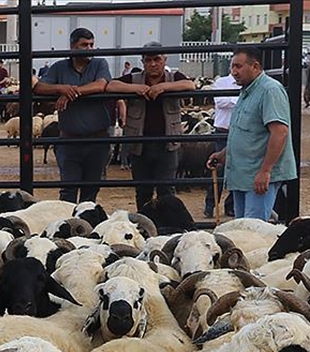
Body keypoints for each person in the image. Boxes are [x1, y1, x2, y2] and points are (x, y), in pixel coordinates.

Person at [206, 47, 297, 222]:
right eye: (232, 67)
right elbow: (246, 133)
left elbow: (280, 132)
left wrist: (265, 170)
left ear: (255, 66)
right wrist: (223, 155)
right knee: (242, 227)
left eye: (238, 67)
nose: (234, 72)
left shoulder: (270, 90)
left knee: (253, 230)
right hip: (244, 174)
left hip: (258, 175)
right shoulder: (247, 91)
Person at [106, 41, 196, 210]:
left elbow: (190, 85)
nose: (153, 64)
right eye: (148, 60)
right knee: (142, 190)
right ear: (143, 62)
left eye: (157, 59)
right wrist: (134, 88)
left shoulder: (174, 77)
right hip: (139, 144)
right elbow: (111, 85)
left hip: (168, 143)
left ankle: (166, 227)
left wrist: (163, 87)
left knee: (166, 189)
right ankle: (145, 224)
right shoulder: (134, 78)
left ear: (165, 60)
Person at [33, 27, 112, 203]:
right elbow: (39, 87)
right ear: (73, 46)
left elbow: (101, 85)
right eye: (84, 45)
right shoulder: (59, 67)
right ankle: (68, 227)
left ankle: (84, 224)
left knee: (91, 189)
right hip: (70, 140)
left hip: (97, 139)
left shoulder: (99, 63)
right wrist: (61, 88)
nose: (89, 49)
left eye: (92, 45)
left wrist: (72, 91)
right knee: (68, 189)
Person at [205, 71, 239, 218]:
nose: (236, 69)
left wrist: (232, 100)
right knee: (219, 169)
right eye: (234, 65)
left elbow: (226, 101)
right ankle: (210, 204)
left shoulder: (248, 83)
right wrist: (239, 100)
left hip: (240, 132)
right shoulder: (221, 82)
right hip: (223, 131)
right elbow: (220, 102)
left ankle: (230, 205)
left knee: (238, 170)